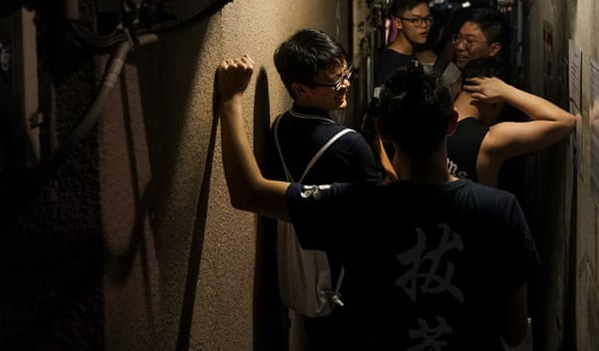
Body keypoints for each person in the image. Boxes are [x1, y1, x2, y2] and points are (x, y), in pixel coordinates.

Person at [217, 58, 538, 350]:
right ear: (452, 123)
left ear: (382, 129)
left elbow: (249, 193)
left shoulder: (356, 204)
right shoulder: (500, 208)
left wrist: (231, 100)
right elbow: (514, 331)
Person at [264, 29, 388, 349]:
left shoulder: (278, 128)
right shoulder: (349, 144)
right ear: (299, 89)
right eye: (334, 82)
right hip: (346, 282)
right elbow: (382, 205)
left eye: (345, 74)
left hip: (304, 272)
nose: (345, 84)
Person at [448, 57, 576, 187]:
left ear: (461, 87)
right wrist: (506, 91)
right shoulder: (488, 141)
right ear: (493, 99)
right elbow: (565, 121)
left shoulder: (437, 119)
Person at [375, 0, 438, 85]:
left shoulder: (412, 55)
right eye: (415, 20)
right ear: (398, 23)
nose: (424, 25)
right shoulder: (390, 65)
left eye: (427, 19)